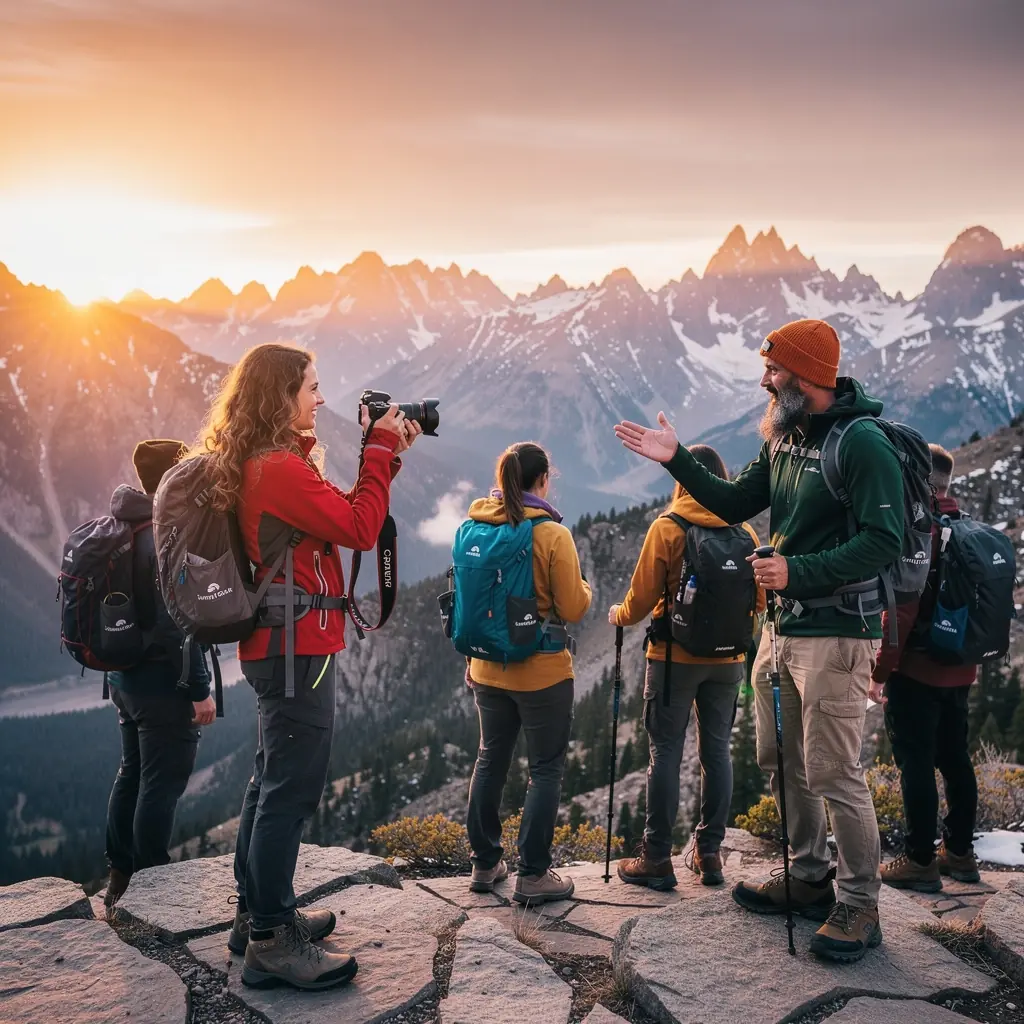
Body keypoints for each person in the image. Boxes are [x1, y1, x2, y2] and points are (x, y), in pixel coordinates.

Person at [614, 318, 904, 963]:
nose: (765, 380)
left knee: (834, 771)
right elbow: (733, 502)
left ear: (807, 375)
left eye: (774, 369)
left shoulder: (862, 444)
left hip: (837, 633)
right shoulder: (785, 436)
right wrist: (677, 459)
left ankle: (860, 904)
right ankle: (808, 874)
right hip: (782, 629)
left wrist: (797, 571)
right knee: (782, 759)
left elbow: (886, 541)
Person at [192, 342, 420, 991]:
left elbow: (338, 516)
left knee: (270, 782)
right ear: (280, 395)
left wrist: (384, 457)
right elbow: (359, 528)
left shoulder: (269, 461)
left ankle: (256, 917)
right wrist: (379, 449)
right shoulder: (277, 468)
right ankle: (271, 941)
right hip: (297, 651)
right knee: (290, 791)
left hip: (283, 647)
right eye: (311, 388)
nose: (321, 399)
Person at [609, 446, 766, 890]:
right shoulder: (745, 531)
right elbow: (759, 602)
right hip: (728, 662)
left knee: (666, 752)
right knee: (717, 752)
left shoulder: (668, 527)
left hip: (673, 660)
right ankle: (709, 852)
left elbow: (640, 600)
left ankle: (657, 857)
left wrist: (618, 615)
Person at [465, 442, 592, 904]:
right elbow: (573, 607)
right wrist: (585, 588)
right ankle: (534, 875)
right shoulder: (552, 535)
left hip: (487, 667)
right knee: (545, 769)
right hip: (542, 672)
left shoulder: (477, 524)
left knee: (490, 759)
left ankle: (485, 863)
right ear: (543, 480)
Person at [104, 439, 215, 911]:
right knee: (161, 783)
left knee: (131, 772)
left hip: (123, 679)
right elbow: (177, 624)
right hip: (163, 684)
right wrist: (200, 690)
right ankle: (151, 886)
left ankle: (120, 875)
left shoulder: (122, 526)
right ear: (174, 476)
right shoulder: (164, 534)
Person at [871, 444, 980, 891]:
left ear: (918, 480)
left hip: (917, 669)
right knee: (955, 759)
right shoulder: (967, 528)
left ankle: (919, 860)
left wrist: (880, 672)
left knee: (915, 761)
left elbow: (901, 611)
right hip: (961, 668)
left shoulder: (921, 531)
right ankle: (960, 854)